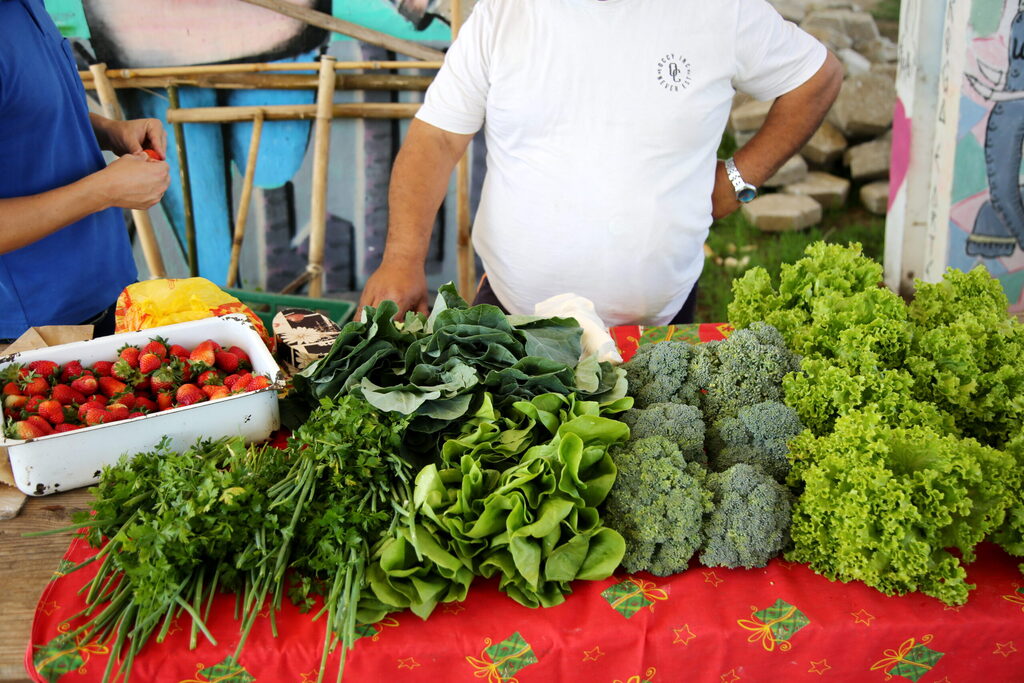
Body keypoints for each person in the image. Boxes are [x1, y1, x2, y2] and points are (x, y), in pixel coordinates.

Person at [358, 0, 843, 326]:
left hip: (658, 333)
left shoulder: (722, 10)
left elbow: (816, 78)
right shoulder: (505, 11)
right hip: (511, 324)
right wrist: (402, 258)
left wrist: (736, 180)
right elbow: (437, 137)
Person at [0, 0, 170, 341]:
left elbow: (27, 107)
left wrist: (108, 130)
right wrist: (103, 190)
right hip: (34, 334)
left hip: (111, 294)